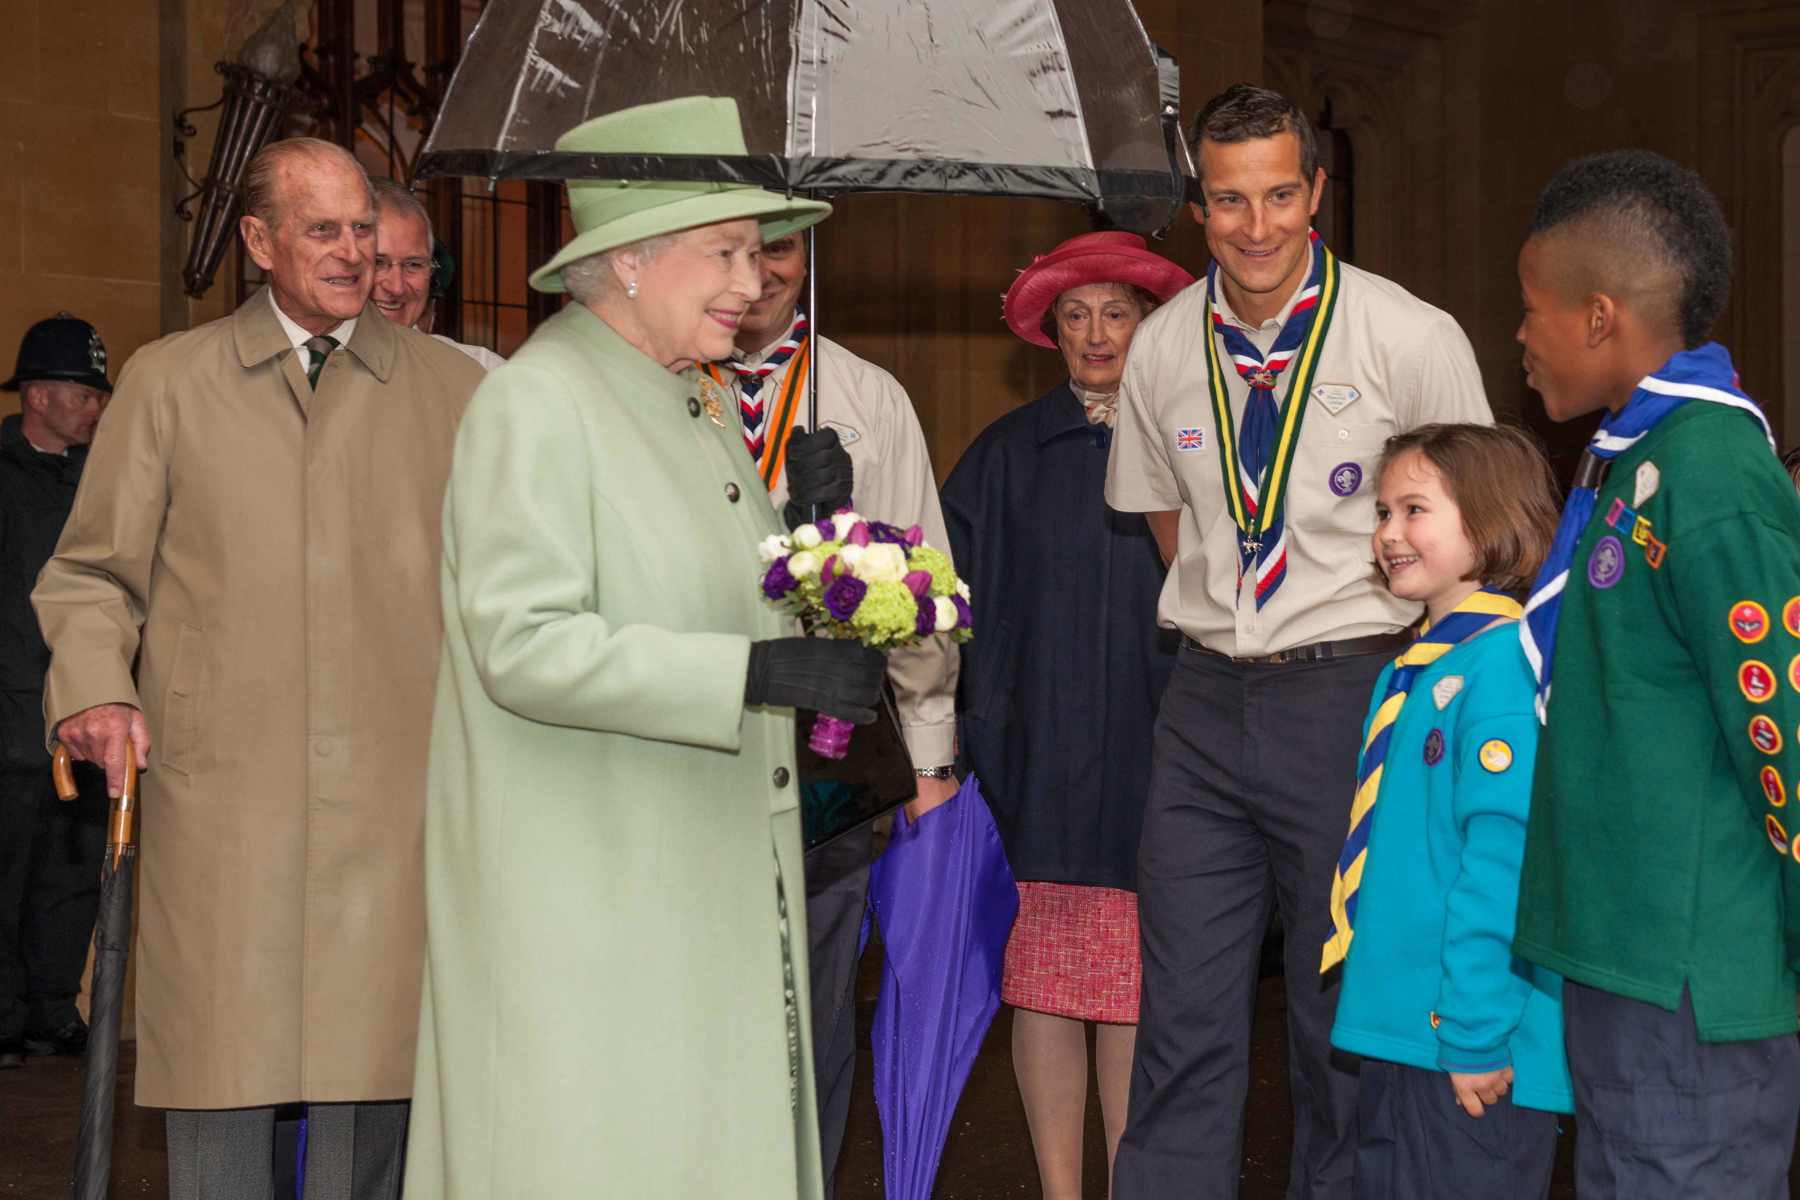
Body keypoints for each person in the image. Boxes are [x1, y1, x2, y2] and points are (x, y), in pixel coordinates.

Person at [403, 96, 886, 1200]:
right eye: (724, 250)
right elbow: (519, 643)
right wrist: (749, 676)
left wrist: (816, 537)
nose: (754, 280)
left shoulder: (695, 400)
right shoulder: (537, 404)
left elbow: (736, 605)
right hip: (592, 899)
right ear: (627, 262)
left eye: (757, 252)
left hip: (694, 876)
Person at [33, 137, 485, 1200]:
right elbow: (94, 573)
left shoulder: (451, 390)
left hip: (395, 796)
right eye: (322, 230)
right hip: (225, 797)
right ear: (257, 241)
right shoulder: (170, 381)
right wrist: (98, 689)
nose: (351, 252)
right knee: (220, 1084)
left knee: (373, 1091)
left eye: (363, 231)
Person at [1102, 83, 1492, 1198]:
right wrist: (1242, 615)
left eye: (1280, 195)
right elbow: (1176, 531)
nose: (1257, 226)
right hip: (1204, 704)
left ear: (1317, 190)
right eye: (1229, 202)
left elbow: (1475, 540)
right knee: (1179, 1017)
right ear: (1197, 207)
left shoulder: (1408, 335)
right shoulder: (1163, 346)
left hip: (1355, 695)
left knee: (1343, 1023)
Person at [1511, 149, 1800, 1196]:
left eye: (1532, 309)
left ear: (1599, 315)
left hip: (1693, 976)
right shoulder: (1633, 463)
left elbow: (1786, 730)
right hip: (1622, 953)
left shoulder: (1713, 470)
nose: (1522, 335)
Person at [703, 225, 960, 1192]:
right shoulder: (665, 380)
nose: (758, 275)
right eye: (737, 250)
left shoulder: (863, 395)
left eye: (781, 250)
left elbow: (925, 579)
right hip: (696, 743)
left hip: (829, 757)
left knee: (813, 1019)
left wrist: (931, 759)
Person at [940, 230, 1187, 1199]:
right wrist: (971, 733)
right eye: (1075, 316)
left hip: (1156, 752)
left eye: (1115, 313)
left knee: (1129, 993)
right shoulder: (1002, 457)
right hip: (1032, 761)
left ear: (1149, 322)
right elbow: (949, 607)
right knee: (1040, 987)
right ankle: (1059, 1190)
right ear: (1050, 332)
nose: (1095, 334)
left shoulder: (1192, 449)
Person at [1323, 424, 1571, 1198]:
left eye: (1415, 510)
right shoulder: (1414, 667)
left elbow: (1501, 862)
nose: (1389, 532)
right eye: (1383, 511)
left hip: (1470, 1043)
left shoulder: (1500, 667)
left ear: (1492, 519)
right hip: (1399, 1026)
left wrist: (1472, 1032)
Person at [0, 313, 109, 1070]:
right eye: (83, 392)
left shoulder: (103, 478)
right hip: (7, 716)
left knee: (74, 874)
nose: (96, 407)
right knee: (6, 871)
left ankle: (51, 1008)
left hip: (84, 712)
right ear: (37, 395)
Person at [370, 178, 505, 370]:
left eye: (414, 264)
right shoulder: (315, 367)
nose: (397, 287)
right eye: (378, 263)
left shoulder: (478, 372)